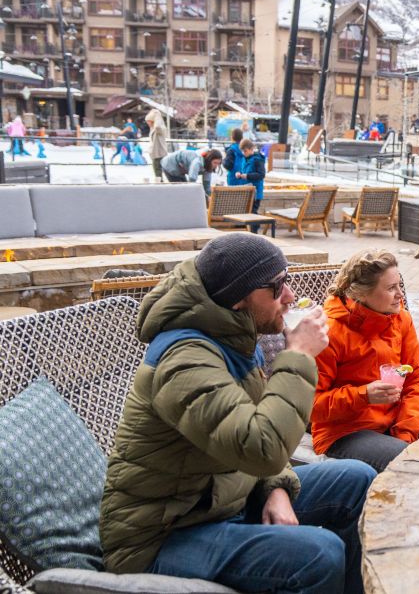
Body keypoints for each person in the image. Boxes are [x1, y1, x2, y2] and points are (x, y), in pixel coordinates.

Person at [100, 233, 375, 593]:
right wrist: (300, 357)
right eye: (277, 287)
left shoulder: (233, 336)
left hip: (219, 500)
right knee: (319, 555)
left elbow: (250, 430)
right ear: (239, 298)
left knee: (358, 479)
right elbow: (261, 447)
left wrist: (275, 487)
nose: (289, 295)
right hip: (162, 536)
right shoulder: (183, 362)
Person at [312, 249, 419, 471]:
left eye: (399, 285)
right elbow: (310, 406)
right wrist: (363, 395)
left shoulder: (401, 320)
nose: (400, 294)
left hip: (394, 419)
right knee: (412, 465)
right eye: (391, 288)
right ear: (362, 293)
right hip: (345, 432)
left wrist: (405, 431)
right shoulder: (329, 332)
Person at [235, 138, 266, 232]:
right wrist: (239, 173)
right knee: (248, 212)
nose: (244, 153)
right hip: (247, 190)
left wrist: (247, 176)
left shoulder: (258, 160)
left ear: (251, 149)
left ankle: (254, 232)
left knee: (253, 212)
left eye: (245, 151)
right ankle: (249, 231)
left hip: (256, 192)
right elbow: (244, 171)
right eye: (243, 151)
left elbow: (261, 175)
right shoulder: (245, 159)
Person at [144, 109, 169, 182]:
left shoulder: (159, 128)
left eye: (148, 121)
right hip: (155, 154)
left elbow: (157, 126)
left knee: (159, 173)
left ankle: (160, 186)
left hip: (159, 154)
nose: (147, 123)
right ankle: (160, 184)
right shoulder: (152, 129)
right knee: (158, 173)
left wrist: (156, 115)